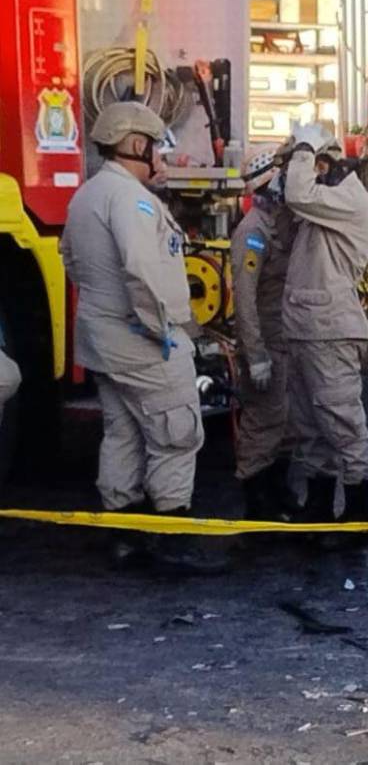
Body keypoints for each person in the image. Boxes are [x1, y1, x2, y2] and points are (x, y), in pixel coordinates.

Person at [60, 101, 215, 573]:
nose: (161, 160)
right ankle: (173, 539)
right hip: (143, 342)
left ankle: (124, 535)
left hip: (104, 342)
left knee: (123, 434)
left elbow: (70, 259)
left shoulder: (88, 194)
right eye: (156, 149)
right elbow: (142, 272)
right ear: (134, 145)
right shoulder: (132, 200)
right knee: (176, 432)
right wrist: (164, 332)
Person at [283, 125, 368, 548]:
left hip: (330, 330)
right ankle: (319, 510)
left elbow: (298, 194)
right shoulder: (324, 200)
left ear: (324, 162)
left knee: (342, 422)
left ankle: (356, 517)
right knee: (309, 425)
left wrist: (301, 151)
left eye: (308, 161)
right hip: (308, 328)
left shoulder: (346, 198)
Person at [231, 147, 298, 522]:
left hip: (284, 341)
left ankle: (278, 492)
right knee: (263, 423)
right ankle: (257, 503)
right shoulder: (253, 231)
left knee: (286, 423)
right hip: (266, 344)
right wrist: (255, 355)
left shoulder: (280, 225)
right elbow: (245, 298)